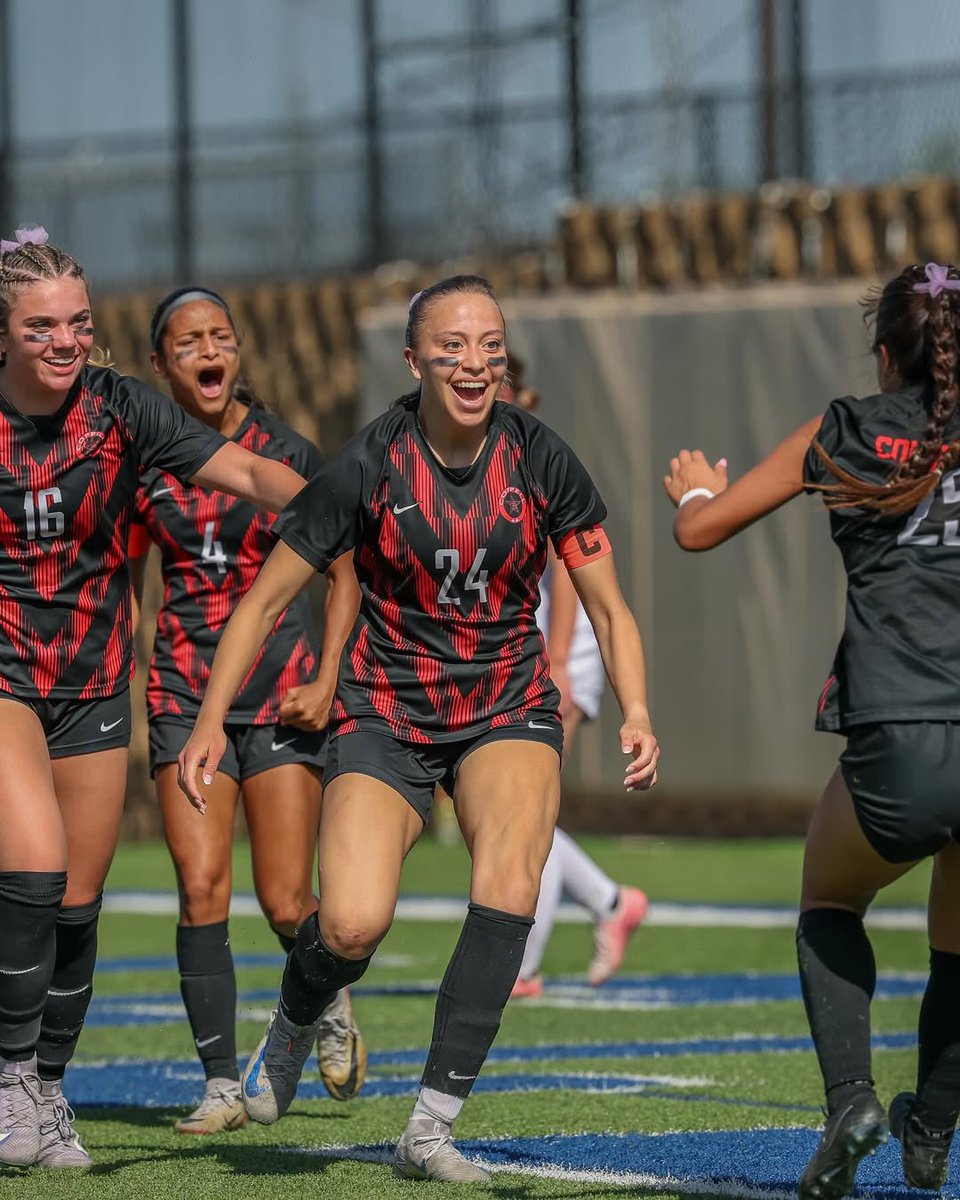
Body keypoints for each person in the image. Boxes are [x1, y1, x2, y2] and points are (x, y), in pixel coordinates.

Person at [179, 274, 659, 1182]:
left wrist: (635, 710)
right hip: (389, 709)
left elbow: (610, 605)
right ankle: (295, 1019)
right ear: (414, 361)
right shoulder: (366, 464)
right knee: (352, 924)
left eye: (489, 345)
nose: (474, 361)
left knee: (510, 885)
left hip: (507, 702)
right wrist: (208, 722)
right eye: (452, 347)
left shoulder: (542, 457)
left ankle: (430, 1128)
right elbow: (263, 601)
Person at [0, 228, 310, 1170]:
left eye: (79, 324)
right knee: (38, 866)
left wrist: (344, 511)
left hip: (94, 682)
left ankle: (50, 1092)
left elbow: (252, 473)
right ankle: (10, 1078)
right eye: (42, 326)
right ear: (5, 333)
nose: (64, 342)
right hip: (7, 670)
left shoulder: (122, 408)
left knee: (80, 903)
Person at [664, 261, 960, 1198]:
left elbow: (702, 533)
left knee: (830, 902)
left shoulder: (846, 429)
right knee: (957, 929)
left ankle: (854, 1101)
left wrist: (694, 490)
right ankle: (936, 1127)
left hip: (897, 733)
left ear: (884, 353)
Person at [129, 287, 365, 1135]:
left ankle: (326, 1005)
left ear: (237, 353)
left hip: (281, 693)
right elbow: (122, 579)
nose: (207, 348)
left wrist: (330, 677)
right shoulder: (144, 459)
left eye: (220, 335)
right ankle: (223, 1086)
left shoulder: (285, 451)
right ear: (161, 366)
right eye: (188, 340)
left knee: (283, 897)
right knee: (200, 889)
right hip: (182, 695)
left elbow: (344, 572)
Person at [498, 359, 647, 998]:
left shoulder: (531, 453)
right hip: (512, 648)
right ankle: (612, 903)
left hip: (559, 644)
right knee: (513, 804)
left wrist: (556, 658)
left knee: (528, 801)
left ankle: (522, 966)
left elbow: (566, 565)